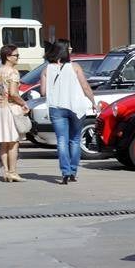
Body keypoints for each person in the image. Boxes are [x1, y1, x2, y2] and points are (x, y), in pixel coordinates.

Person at [42, 39, 97, 184]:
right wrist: (93, 101)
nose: (71, 49)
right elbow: (85, 87)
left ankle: (65, 172)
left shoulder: (46, 69)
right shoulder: (75, 67)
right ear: (64, 50)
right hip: (75, 106)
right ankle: (73, 171)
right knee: (75, 140)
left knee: (61, 140)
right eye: (69, 47)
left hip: (56, 107)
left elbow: (43, 91)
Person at [0, 44, 31, 182]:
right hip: (10, 108)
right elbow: (14, 94)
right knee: (13, 142)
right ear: (8, 56)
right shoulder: (13, 72)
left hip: (0, 108)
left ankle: (6, 172)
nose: (18, 58)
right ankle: (13, 172)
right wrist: (23, 104)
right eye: (16, 55)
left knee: (4, 143)